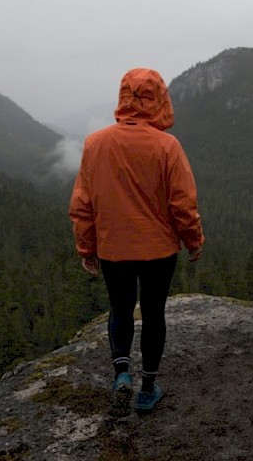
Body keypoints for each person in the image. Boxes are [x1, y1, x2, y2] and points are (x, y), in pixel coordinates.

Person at [69, 67, 204, 413]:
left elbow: (83, 203)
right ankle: (147, 388)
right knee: (154, 313)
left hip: (114, 248)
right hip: (159, 250)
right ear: (159, 100)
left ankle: (121, 374)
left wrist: (87, 247)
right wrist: (194, 240)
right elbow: (182, 203)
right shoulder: (168, 147)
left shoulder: (95, 144)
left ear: (123, 97)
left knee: (121, 308)